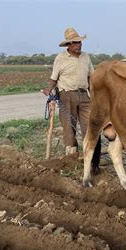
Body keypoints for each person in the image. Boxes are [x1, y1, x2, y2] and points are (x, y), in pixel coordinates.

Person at [42, 27, 94, 156]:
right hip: (67, 94)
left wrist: (93, 93)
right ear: (68, 45)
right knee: (69, 126)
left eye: (79, 42)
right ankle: (71, 154)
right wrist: (49, 89)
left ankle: (88, 153)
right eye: (75, 42)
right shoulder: (61, 58)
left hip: (83, 94)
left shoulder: (86, 57)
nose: (78, 45)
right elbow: (54, 77)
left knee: (88, 125)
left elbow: (90, 76)